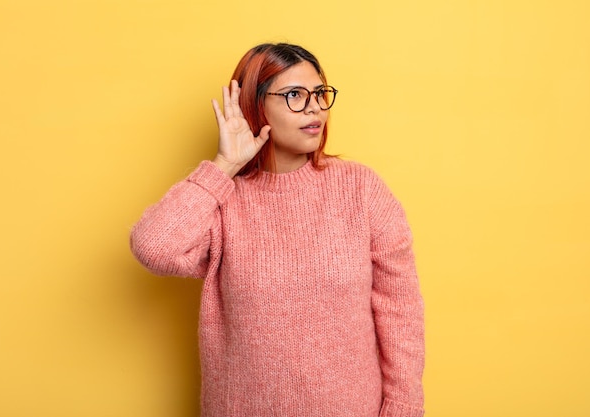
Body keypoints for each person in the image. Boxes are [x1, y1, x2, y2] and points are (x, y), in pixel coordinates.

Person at [130, 43, 424, 417]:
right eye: (294, 96)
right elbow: (153, 247)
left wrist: (403, 408)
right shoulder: (224, 200)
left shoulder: (361, 189)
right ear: (255, 106)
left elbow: (401, 312)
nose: (315, 107)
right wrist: (224, 166)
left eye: (319, 93)